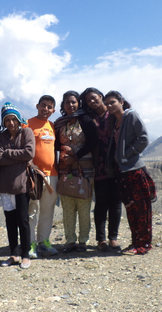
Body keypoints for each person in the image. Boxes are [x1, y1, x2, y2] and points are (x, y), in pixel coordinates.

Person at [103, 90, 156, 255]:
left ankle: (143, 244)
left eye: (113, 102)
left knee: (142, 209)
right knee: (131, 208)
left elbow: (144, 138)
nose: (110, 106)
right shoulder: (115, 121)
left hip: (134, 170)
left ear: (121, 101)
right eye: (107, 103)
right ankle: (135, 242)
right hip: (122, 171)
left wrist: (127, 153)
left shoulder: (131, 116)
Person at [54, 91, 98, 253]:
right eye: (67, 102)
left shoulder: (85, 120)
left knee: (83, 205)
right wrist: (64, 150)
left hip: (85, 169)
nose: (71, 105)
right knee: (68, 206)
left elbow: (93, 141)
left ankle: (83, 241)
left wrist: (76, 157)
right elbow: (55, 144)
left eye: (73, 102)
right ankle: (70, 240)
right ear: (63, 105)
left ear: (78, 103)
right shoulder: (60, 123)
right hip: (65, 170)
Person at [80, 87, 122, 252]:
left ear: (100, 96)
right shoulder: (90, 118)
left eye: (94, 97)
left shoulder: (114, 115)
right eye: (88, 100)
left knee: (116, 202)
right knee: (101, 203)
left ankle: (113, 238)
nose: (92, 101)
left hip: (116, 163)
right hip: (99, 164)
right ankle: (101, 239)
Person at [0, 102, 35, 269]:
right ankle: (14, 253)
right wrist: (17, 156)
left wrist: (8, 153)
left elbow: (30, 153)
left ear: (18, 119)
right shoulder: (1, 137)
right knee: (10, 221)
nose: (10, 123)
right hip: (5, 186)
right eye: (7, 120)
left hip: (22, 184)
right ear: (3, 122)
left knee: (23, 220)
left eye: (13, 119)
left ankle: (26, 254)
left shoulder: (27, 132)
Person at [27, 95, 59, 259]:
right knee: (32, 209)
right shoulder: (28, 124)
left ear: (53, 110)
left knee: (47, 210)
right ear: (37, 105)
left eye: (49, 107)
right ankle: (30, 243)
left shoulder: (52, 126)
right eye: (43, 105)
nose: (46, 109)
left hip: (51, 174)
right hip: (33, 174)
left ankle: (44, 241)